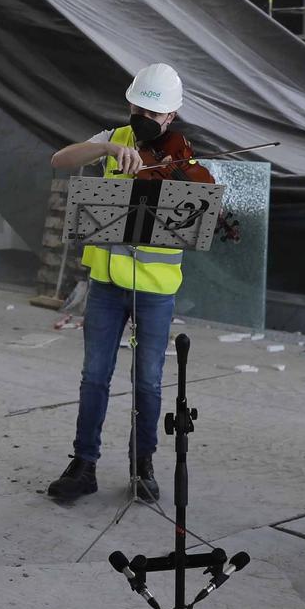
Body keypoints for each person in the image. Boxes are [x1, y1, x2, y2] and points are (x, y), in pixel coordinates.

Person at [45, 63, 187, 506]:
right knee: (94, 376)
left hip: (155, 289)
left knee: (148, 382)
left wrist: (173, 176)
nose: (144, 117)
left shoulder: (184, 156)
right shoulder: (116, 139)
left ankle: (142, 464)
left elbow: (194, 215)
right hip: (106, 284)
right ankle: (84, 464)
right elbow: (60, 160)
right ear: (130, 103)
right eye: (138, 107)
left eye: (154, 112)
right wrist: (103, 147)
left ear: (170, 117)